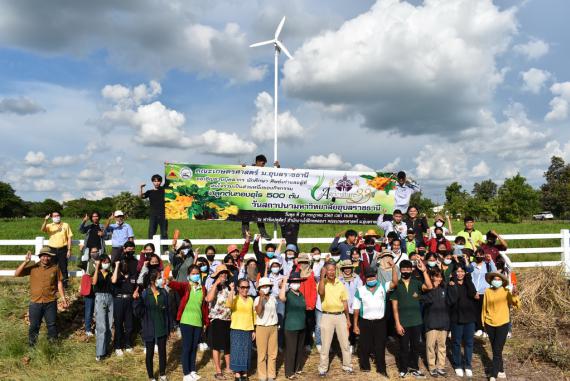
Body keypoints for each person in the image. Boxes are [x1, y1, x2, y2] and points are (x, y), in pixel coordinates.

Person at [14, 247, 68, 346]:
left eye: (48, 256)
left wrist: (63, 298)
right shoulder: (33, 267)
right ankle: (32, 347)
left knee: (51, 325)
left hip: (50, 302)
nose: (45, 258)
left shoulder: (55, 268)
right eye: (43, 256)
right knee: (34, 326)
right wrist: (25, 262)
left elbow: (59, 283)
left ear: (50, 257)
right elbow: (16, 274)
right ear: (40, 257)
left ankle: (52, 346)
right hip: (35, 303)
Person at [352, 263, 398, 375]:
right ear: (365, 279)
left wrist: (393, 268)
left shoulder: (382, 286)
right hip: (365, 322)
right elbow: (356, 309)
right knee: (364, 345)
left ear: (376, 277)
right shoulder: (360, 290)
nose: (371, 279)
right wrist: (355, 325)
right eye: (368, 277)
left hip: (380, 322)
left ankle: (381, 369)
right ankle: (365, 366)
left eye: (372, 276)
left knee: (380, 345)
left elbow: (395, 282)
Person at [391, 259, 433, 378]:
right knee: (404, 347)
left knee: (415, 346)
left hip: (416, 321)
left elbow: (429, 286)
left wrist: (424, 271)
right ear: (400, 270)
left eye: (408, 269)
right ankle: (403, 368)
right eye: (403, 269)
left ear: (411, 270)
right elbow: (394, 307)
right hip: (403, 322)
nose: (406, 271)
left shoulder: (416, 283)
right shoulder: (396, 285)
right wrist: (397, 324)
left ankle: (414, 367)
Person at [169, 265, 209, 381]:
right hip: (186, 321)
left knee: (194, 347)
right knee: (187, 347)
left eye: (197, 273)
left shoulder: (202, 289)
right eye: (193, 273)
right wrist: (169, 281)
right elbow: (175, 285)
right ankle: (186, 373)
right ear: (188, 275)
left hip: (198, 322)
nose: (195, 275)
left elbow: (204, 307)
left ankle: (192, 370)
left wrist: (205, 321)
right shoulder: (186, 287)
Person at [133, 270, 172, 381]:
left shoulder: (164, 292)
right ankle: (151, 376)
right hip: (149, 327)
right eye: (159, 278)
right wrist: (136, 300)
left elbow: (168, 311)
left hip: (161, 327)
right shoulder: (145, 294)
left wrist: (168, 328)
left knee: (162, 352)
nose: (162, 280)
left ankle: (162, 374)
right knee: (149, 353)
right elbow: (138, 312)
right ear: (152, 281)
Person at [482, 272, 520, 381]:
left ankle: (493, 374)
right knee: (495, 349)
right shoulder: (487, 291)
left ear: (502, 281)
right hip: (489, 323)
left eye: (499, 279)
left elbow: (516, 304)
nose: (497, 281)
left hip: (503, 323)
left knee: (498, 349)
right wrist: (483, 322)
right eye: (495, 279)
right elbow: (484, 308)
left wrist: (514, 294)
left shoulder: (506, 291)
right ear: (491, 280)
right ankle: (501, 369)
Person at [317, 262, 353, 377]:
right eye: (329, 270)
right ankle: (323, 368)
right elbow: (321, 292)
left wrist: (348, 318)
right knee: (325, 344)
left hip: (341, 316)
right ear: (325, 271)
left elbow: (345, 302)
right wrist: (322, 277)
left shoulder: (340, 284)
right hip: (327, 316)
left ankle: (347, 365)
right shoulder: (322, 283)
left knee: (345, 343)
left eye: (333, 270)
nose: (331, 272)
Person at [447, 265, 477, 378]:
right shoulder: (451, 284)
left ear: (465, 273)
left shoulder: (468, 283)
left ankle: (468, 365)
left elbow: (473, 294)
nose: (460, 273)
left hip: (470, 318)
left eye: (462, 271)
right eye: (458, 271)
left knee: (469, 343)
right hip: (456, 318)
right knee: (456, 343)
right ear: (454, 273)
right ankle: (458, 365)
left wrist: (468, 279)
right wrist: (451, 282)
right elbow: (450, 301)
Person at [111, 241, 139, 356]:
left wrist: (136, 290)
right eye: (129, 248)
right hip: (118, 298)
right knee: (118, 323)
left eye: (133, 248)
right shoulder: (118, 262)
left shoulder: (134, 262)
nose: (131, 250)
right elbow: (115, 260)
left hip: (129, 298)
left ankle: (128, 344)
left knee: (129, 324)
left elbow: (138, 279)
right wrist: (122, 252)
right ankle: (118, 346)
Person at [205, 265, 233, 379]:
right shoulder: (214, 286)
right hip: (216, 320)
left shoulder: (228, 287)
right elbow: (209, 299)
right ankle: (218, 370)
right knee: (216, 346)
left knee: (227, 345)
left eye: (225, 274)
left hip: (227, 319)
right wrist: (216, 284)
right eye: (221, 274)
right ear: (217, 276)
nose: (224, 276)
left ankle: (228, 367)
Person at [422, 270, 450, 377]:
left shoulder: (445, 289)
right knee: (430, 346)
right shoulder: (426, 290)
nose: (438, 279)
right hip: (431, 323)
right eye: (435, 277)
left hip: (444, 322)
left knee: (442, 346)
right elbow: (427, 301)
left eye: (440, 277)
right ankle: (432, 367)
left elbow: (450, 302)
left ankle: (441, 367)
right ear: (432, 277)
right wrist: (432, 288)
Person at [227, 278, 256, 381]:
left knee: (246, 352)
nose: (245, 289)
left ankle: (244, 373)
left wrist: (253, 330)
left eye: (247, 287)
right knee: (237, 351)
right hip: (236, 329)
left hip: (248, 329)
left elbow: (253, 315)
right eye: (242, 287)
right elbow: (229, 305)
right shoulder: (235, 298)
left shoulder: (250, 300)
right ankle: (237, 374)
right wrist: (231, 290)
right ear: (238, 288)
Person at [280, 271, 307, 379]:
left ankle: (297, 368)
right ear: (290, 283)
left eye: (298, 282)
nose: (297, 284)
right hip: (290, 326)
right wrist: (285, 282)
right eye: (294, 282)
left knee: (299, 348)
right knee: (291, 350)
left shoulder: (301, 294)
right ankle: (289, 372)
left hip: (301, 325)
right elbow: (281, 298)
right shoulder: (287, 293)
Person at [241, 154, 271, 240]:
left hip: (259, 197)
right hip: (248, 196)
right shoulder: (248, 169)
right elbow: (240, 174)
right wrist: (242, 168)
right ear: (257, 162)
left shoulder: (265, 171)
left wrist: (278, 167)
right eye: (262, 163)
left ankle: (263, 233)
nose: (263, 165)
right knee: (246, 216)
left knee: (260, 216)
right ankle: (245, 234)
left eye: (264, 164)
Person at [254, 277, 279, 381]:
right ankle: (262, 376)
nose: (266, 288)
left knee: (273, 353)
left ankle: (271, 375)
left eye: (267, 286)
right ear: (259, 288)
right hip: (261, 328)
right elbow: (259, 312)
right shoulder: (256, 299)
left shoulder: (273, 298)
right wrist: (261, 298)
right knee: (262, 354)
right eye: (263, 286)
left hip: (273, 327)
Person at [41, 211, 73, 288]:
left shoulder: (65, 225)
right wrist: (45, 220)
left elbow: (69, 237)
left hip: (63, 249)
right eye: (54, 216)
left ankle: (65, 285)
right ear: (52, 217)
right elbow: (42, 229)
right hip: (52, 249)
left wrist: (69, 249)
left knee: (63, 267)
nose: (56, 217)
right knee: (52, 267)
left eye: (58, 215)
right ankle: (52, 284)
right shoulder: (49, 225)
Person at [470, 248, 497, 337]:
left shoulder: (487, 265)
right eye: (477, 255)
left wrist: (491, 260)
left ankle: (486, 329)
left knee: (486, 311)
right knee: (476, 311)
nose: (478, 256)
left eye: (480, 255)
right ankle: (479, 328)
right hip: (475, 291)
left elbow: (494, 272)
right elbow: (470, 276)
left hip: (484, 292)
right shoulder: (472, 265)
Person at [92, 254, 114, 361]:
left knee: (109, 325)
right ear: (100, 262)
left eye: (108, 262)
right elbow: (94, 282)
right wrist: (96, 268)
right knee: (101, 326)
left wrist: (116, 266)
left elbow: (114, 282)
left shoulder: (110, 274)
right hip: (100, 297)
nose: (106, 264)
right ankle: (99, 353)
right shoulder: (97, 272)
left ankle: (106, 349)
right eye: (104, 262)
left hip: (110, 298)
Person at [338, 259, 363, 354]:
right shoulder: (339, 279)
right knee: (344, 327)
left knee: (353, 325)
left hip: (354, 306)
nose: (347, 270)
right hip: (343, 307)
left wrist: (356, 301)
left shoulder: (357, 278)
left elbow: (359, 291)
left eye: (349, 268)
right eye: (345, 268)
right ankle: (345, 344)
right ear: (343, 269)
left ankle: (353, 344)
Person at [296, 253, 318, 351]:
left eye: (305, 262)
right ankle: (299, 343)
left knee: (309, 324)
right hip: (298, 304)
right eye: (301, 262)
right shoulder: (295, 273)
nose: (303, 264)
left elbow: (314, 290)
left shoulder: (312, 273)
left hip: (309, 304)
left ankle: (308, 343)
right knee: (300, 324)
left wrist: (312, 304)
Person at [140, 174, 168, 247]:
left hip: (163, 214)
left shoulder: (164, 189)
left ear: (161, 182)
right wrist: (141, 188)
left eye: (158, 181)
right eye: (155, 181)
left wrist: (168, 170)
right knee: (151, 232)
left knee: (164, 233)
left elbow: (168, 180)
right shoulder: (150, 192)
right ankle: (150, 248)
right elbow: (142, 196)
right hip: (153, 215)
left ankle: (165, 250)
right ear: (152, 182)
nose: (156, 182)